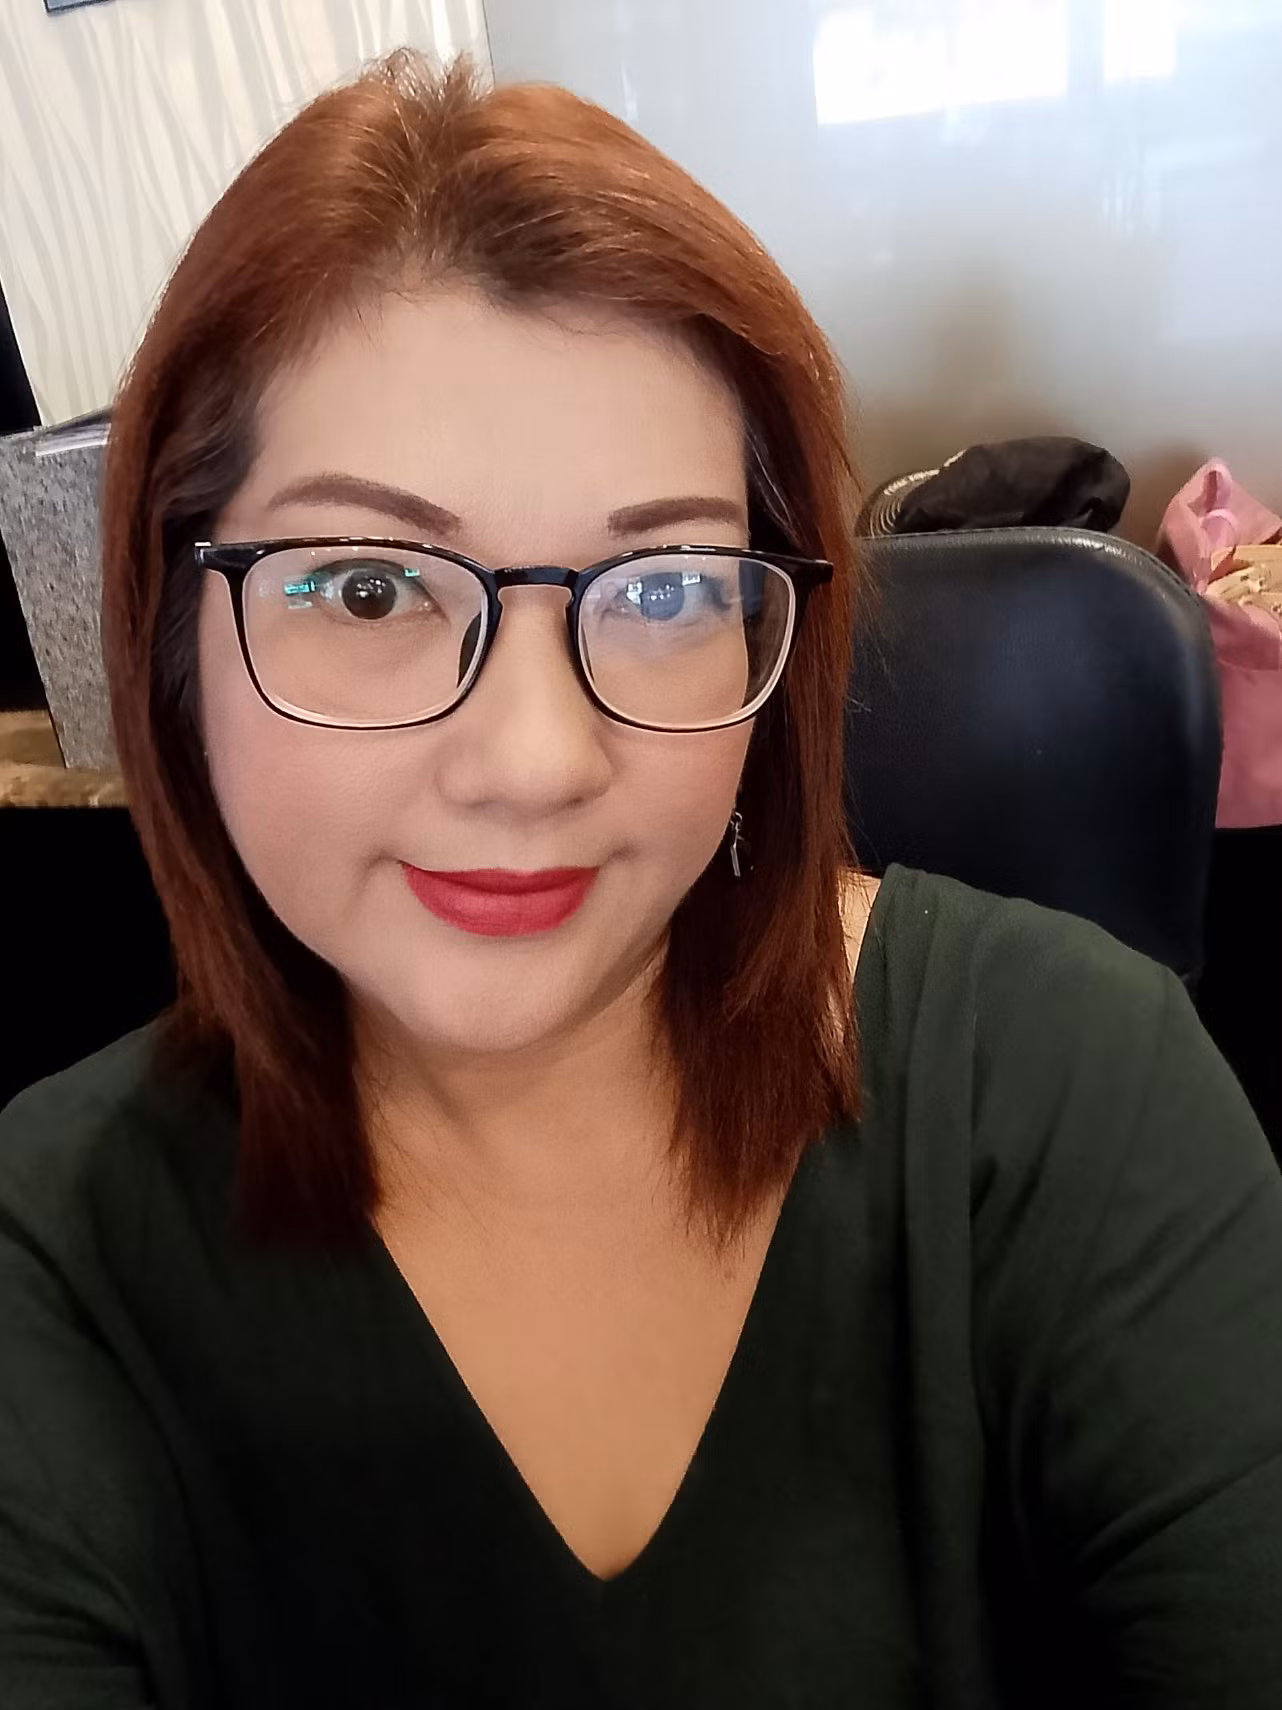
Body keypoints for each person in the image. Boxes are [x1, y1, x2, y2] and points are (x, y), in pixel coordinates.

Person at [0, 51, 1279, 1710]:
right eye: (371, 586)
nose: (537, 760)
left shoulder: (1072, 1089)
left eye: (666, 586)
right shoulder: (51, 1262)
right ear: (175, 639)